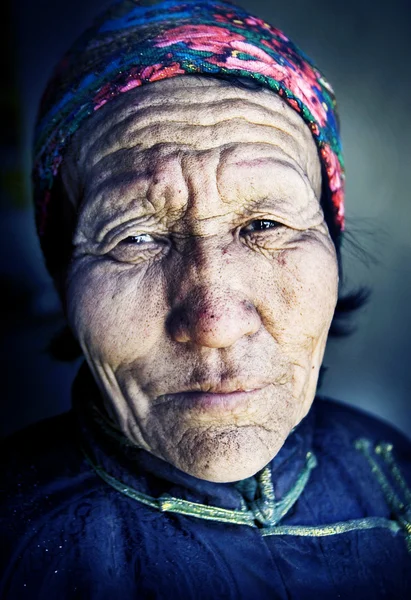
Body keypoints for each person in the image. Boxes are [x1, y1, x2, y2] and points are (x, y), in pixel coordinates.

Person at [1, 0, 410, 598]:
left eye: (265, 225)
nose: (215, 323)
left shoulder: (395, 478)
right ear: (64, 276)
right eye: (135, 237)